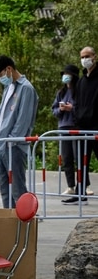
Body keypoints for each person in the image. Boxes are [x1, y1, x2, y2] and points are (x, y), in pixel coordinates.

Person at [0, 55, 39, 208]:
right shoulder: (9, 87)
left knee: (17, 189)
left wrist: (10, 142)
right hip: (1, 146)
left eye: (0, 75)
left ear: (9, 69)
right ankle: (10, 220)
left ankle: (23, 222)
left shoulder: (26, 88)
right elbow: (6, 115)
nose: (0, 79)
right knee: (5, 190)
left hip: (13, 147)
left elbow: (23, 122)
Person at [72, 46, 98, 204]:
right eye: (82, 56)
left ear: (94, 57)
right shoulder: (81, 81)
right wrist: (77, 120)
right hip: (83, 127)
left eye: (87, 56)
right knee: (81, 161)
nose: (85, 59)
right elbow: (77, 103)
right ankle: (80, 192)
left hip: (96, 127)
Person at [51, 65, 80, 198]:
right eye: (64, 73)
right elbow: (54, 110)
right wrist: (61, 109)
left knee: (79, 156)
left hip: (76, 126)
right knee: (66, 158)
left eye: (68, 73)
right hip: (63, 127)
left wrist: (72, 108)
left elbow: (82, 109)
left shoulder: (79, 90)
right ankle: (70, 186)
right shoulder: (60, 92)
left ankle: (84, 185)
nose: (65, 76)